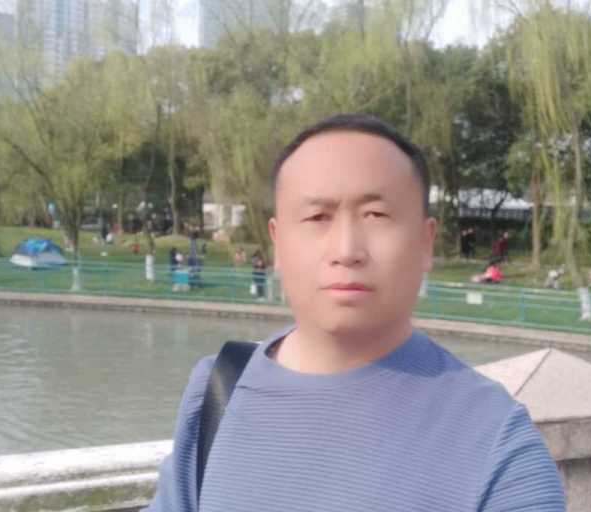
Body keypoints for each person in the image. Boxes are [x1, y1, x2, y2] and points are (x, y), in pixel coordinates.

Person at [144, 114, 565, 512]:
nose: (346, 250)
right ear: (278, 243)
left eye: (376, 215)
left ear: (425, 242)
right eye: (317, 217)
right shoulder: (218, 390)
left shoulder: (498, 443)